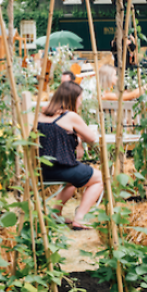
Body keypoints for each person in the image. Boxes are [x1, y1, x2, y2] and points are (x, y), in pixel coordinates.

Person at [37, 81, 103, 230]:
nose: (80, 102)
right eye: (79, 99)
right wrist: (79, 138)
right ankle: (80, 219)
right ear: (72, 99)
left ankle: (55, 214)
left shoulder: (41, 114)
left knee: (73, 180)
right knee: (99, 178)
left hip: (40, 170)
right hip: (61, 168)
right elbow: (92, 138)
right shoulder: (70, 116)